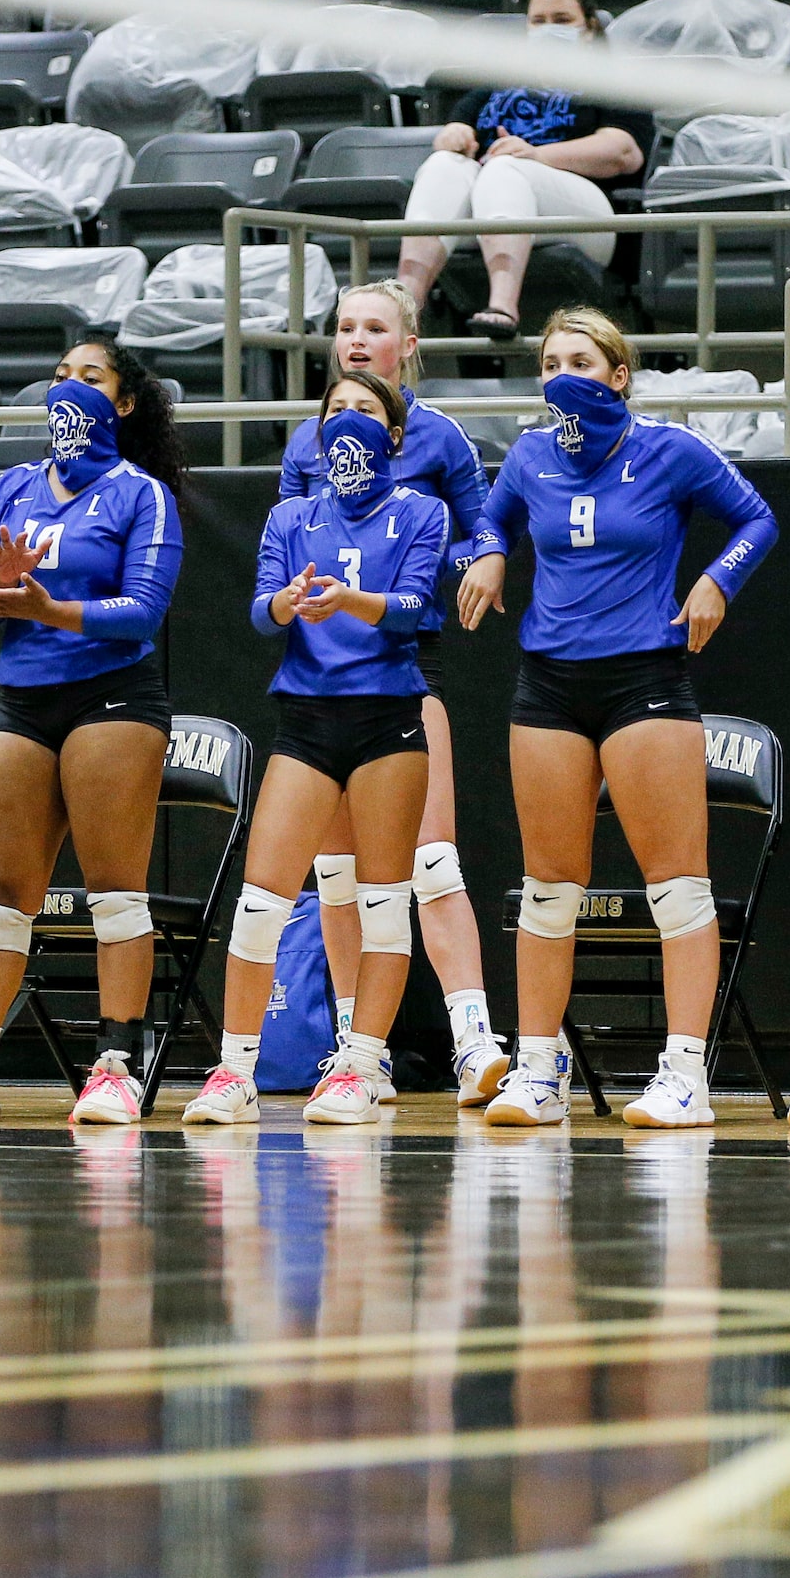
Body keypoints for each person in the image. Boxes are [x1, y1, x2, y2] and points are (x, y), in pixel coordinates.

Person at [466, 307, 777, 1128]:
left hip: (643, 677)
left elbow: (757, 518)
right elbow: (488, 519)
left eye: (579, 359)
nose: (561, 372)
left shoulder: (667, 450)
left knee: (676, 888)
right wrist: (490, 552)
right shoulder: (531, 454)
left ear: (617, 375)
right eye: (549, 360)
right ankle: (537, 1070)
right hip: (548, 683)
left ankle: (684, 1075)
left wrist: (715, 582)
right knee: (547, 888)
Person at [185, 372, 460, 1125]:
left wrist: (351, 600)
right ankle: (233, 1071)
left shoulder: (421, 512)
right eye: (334, 410)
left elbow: (414, 609)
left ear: (394, 437)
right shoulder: (290, 516)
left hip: (386, 723)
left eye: (364, 412)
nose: (346, 423)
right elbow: (260, 613)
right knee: (260, 901)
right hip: (306, 723)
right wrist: (285, 600)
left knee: (381, 904)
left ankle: (358, 1067)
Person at [272, 280, 512, 1104]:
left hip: (406, 664)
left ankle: (474, 1040)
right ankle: (354, 1049)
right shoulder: (305, 443)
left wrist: (481, 558)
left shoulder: (435, 437)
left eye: (375, 327)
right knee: (337, 874)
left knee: (430, 858)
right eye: (344, 327)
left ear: (408, 345)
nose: (357, 339)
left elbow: (479, 526)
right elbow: (286, 538)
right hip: (320, 677)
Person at [0, 338, 185, 1124]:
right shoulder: (10, 488)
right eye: (58, 376)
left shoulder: (139, 493)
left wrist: (48, 607)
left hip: (110, 697)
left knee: (113, 889)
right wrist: (4, 590)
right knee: (4, 890)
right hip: (22, 699)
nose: (68, 389)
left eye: (89, 378)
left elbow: (143, 612)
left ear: (121, 404)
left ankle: (115, 1064)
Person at [392, 0, 652, 342]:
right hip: (492, 210)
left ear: (590, 28)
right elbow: (453, 128)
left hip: (592, 217)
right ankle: (404, 306)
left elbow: (623, 152)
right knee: (443, 164)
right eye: (538, 21)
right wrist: (454, 135)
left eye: (562, 20)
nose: (548, 29)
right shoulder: (501, 81)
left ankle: (502, 304)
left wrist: (537, 154)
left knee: (507, 166)